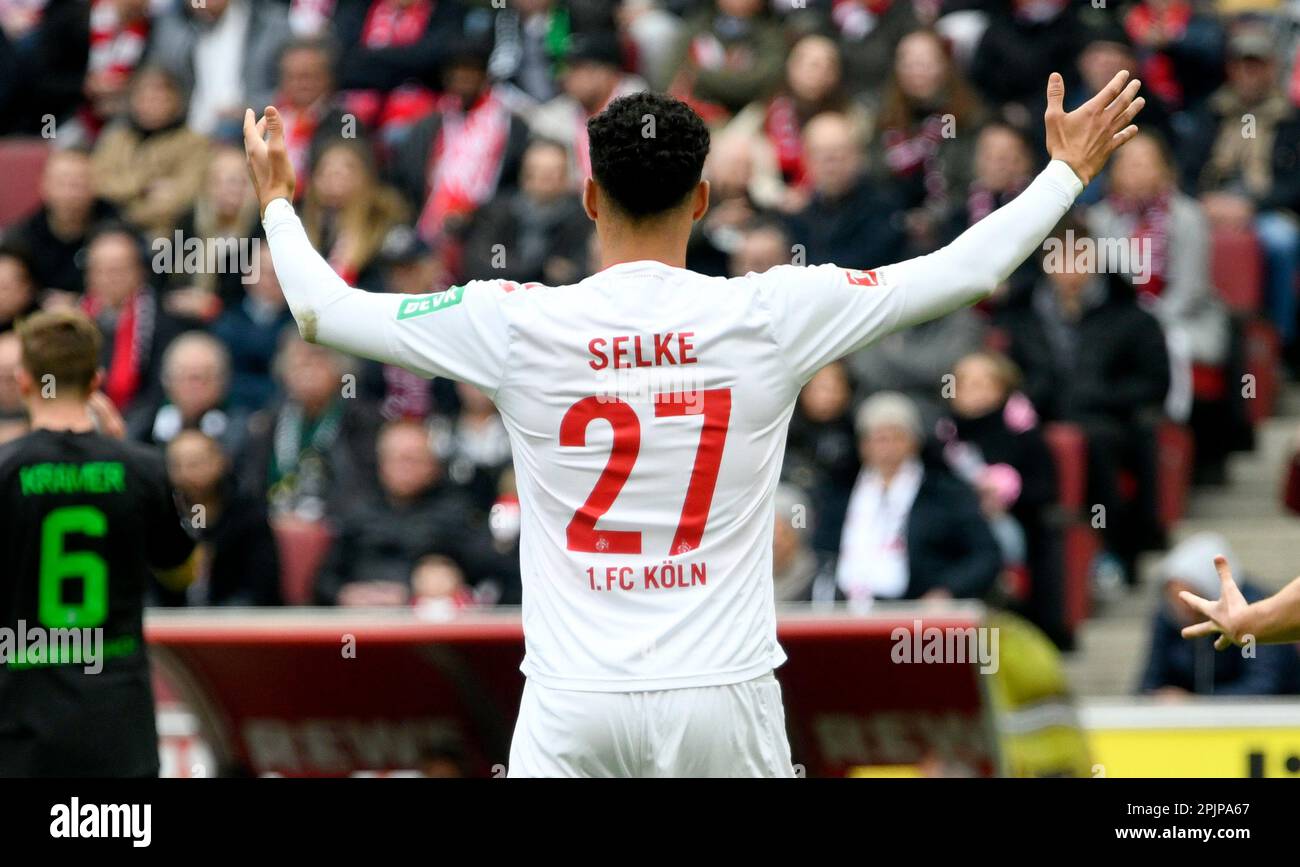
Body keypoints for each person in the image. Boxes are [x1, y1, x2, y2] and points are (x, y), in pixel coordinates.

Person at [245, 69, 1145, 777]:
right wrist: (1065, 171)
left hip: (573, 699)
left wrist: (279, 200)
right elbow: (959, 273)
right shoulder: (770, 311)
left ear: (591, 201)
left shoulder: (513, 321)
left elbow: (324, 311)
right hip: (724, 696)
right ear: (704, 200)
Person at [0, 309, 195, 776]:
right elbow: (181, 571)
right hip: (116, 720)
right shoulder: (143, 468)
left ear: (25, 381)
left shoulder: (5, 471)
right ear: (97, 381)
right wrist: (120, 450)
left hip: (23, 718)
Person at [836, 391, 1001, 603]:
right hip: (845, 609)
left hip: (919, 612)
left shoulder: (946, 492)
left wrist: (947, 591)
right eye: (877, 439)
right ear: (863, 446)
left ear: (914, 441)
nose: (886, 448)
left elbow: (985, 554)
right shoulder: (841, 492)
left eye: (895, 437)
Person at [1143, 534, 1300, 697]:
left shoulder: (1251, 609)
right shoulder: (1168, 615)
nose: (1183, 608)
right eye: (1175, 599)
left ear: (1209, 588)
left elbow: (1261, 684)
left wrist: (1194, 702)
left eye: (1191, 597)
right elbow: (1149, 683)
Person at [1182, 556, 1300, 648]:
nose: (1182, 607)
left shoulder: (1251, 599)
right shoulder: (1168, 620)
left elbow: (1262, 671)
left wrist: (1242, 624)